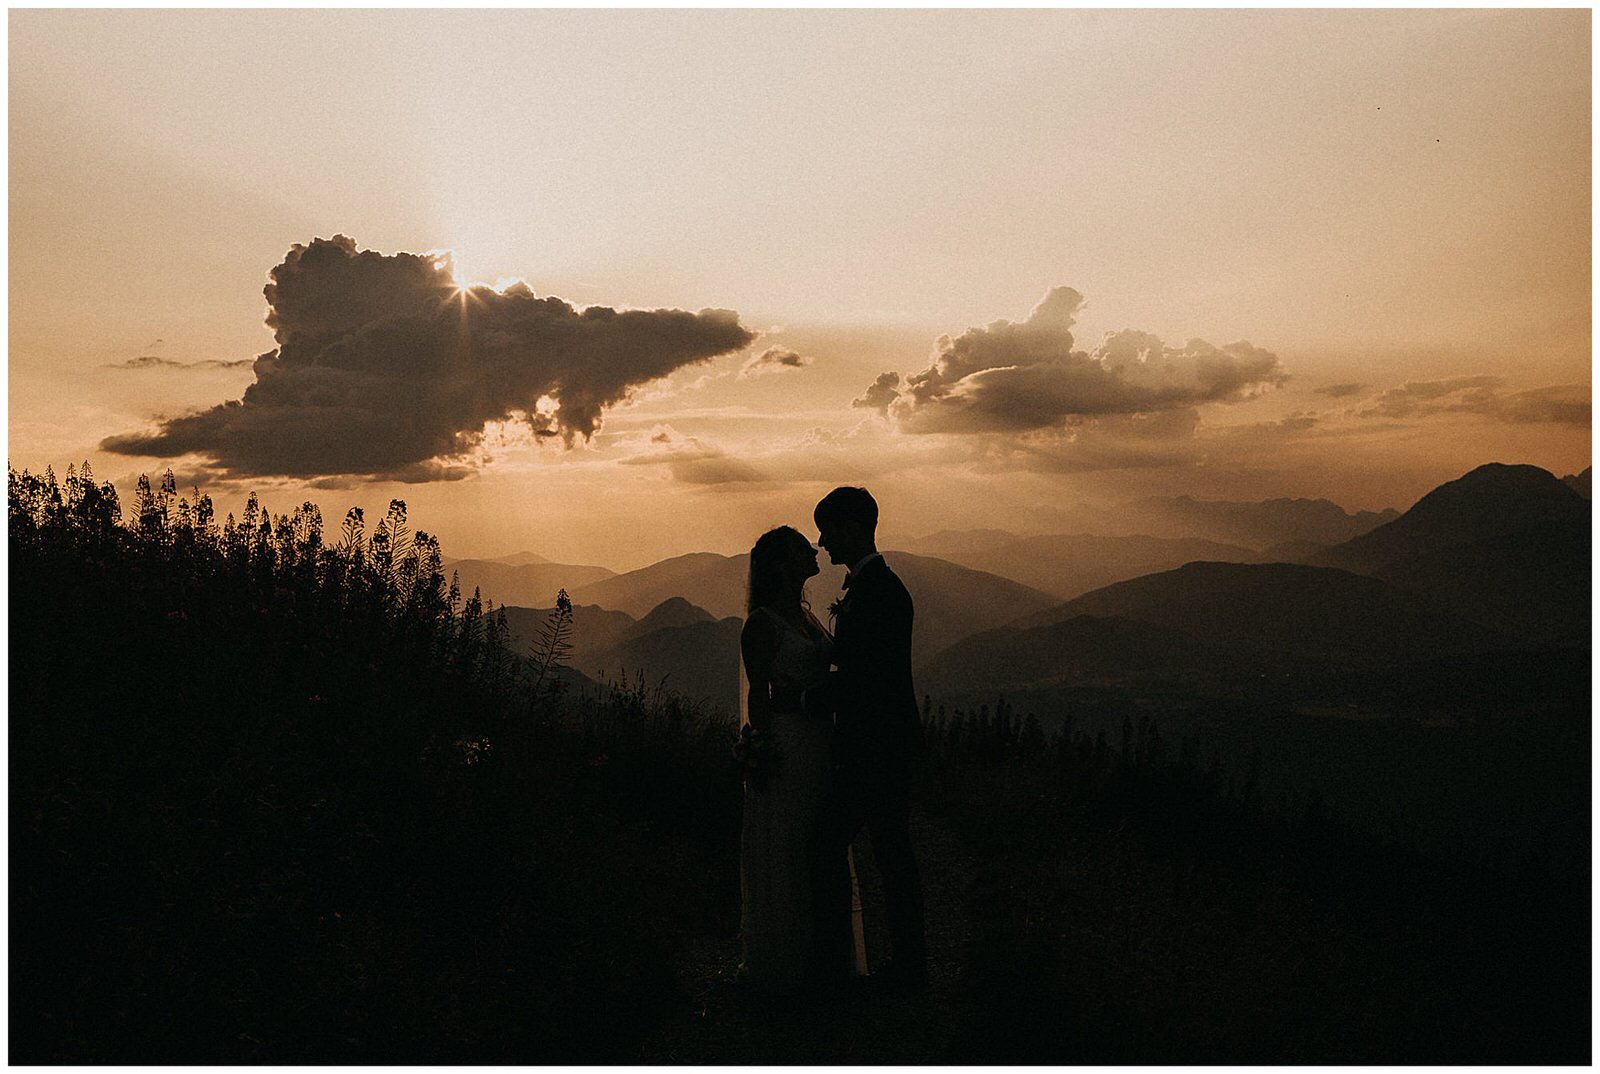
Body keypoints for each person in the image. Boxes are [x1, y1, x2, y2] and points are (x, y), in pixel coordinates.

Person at [811, 486, 928, 988]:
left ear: (852, 529)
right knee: (886, 852)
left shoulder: (878, 592)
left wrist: (802, 701)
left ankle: (887, 965)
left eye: (828, 529)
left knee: (870, 850)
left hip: (876, 747)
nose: (821, 542)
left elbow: (866, 680)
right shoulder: (875, 587)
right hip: (880, 744)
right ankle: (902, 964)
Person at [736, 525, 848, 992]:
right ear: (782, 564)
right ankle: (786, 964)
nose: (815, 549)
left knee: (818, 847)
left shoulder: (805, 618)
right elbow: (758, 698)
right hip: (788, 749)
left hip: (821, 744)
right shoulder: (762, 624)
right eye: (803, 547)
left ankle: (822, 959)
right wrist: (761, 749)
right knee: (788, 846)